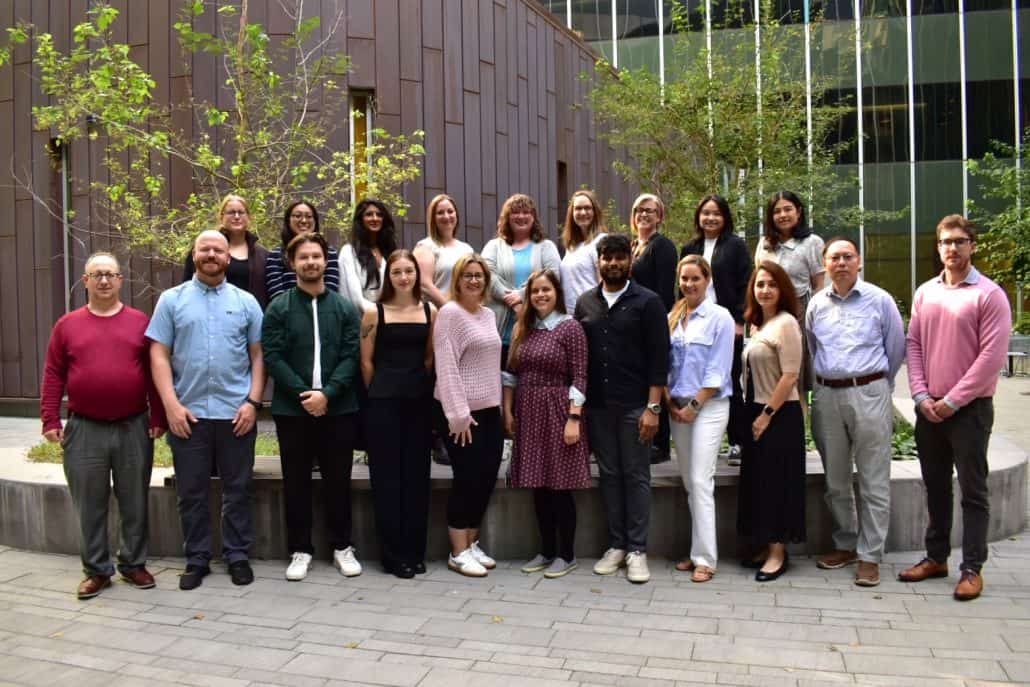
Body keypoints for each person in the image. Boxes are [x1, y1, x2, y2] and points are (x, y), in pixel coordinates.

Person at [40, 252, 167, 600]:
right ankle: (96, 570)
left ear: (121, 281)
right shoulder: (67, 325)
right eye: (96, 275)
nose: (104, 281)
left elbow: (154, 374)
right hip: (85, 429)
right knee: (89, 503)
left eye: (110, 274)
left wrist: (158, 416)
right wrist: (49, 417)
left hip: (133, 426)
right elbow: (53, 373)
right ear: (85, 282)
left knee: (134, 501)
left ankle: (133, 564)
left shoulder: (140, 322)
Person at [900, 215, 1011, 601]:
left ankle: (972, 568)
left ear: (972, 246)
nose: (952, 248)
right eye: (946, 241)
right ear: (938, 247)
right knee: (934, 487)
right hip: (928, 408)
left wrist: (951, 401)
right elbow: (912, 344)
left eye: (960, 241)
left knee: (973, 490)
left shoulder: (989, 295)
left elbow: (991, 359)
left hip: (969, 411)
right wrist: (919, 394)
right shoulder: (925, 292)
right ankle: (936, 557)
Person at [147, 230, 265, 590]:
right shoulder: (172, 300)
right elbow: (158, 353)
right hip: (189, 414)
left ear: (228, 258)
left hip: (235, 413)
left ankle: (237, 555)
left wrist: (253, 402)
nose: (211, 254)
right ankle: (197, 559)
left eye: (218, 249)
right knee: (191, 492)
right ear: (194, 255)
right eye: (205, 249)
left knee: (239, 489)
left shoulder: (247, 302)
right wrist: (170, 406)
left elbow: (259, 355)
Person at [262, 232, 364, 582]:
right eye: (303, 257)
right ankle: (301, 549)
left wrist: (329, 394)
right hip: (293, 411)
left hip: (339, 409)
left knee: (339, 481)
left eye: (316, 257)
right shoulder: (278, 308)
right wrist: (306, 395)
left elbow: (352, 355)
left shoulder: (344, 308)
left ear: (325, 262)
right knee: (297, 482)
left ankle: (342, 547)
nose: (310, 262)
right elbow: (273, 357)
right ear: (292, 263)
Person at [806, 237, 906, 588]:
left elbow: (896, 349)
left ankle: (870, 555)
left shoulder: (880, 300)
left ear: (859, 261)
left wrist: (877, 385)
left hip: (869, 392)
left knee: (873, 478)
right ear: (825, 263)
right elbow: (812, 347)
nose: (842, 263)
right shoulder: (816, 305)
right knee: (835, 480)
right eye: (834, 258)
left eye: (848, 256)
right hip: (827, 396)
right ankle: (845, 544)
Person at [575, 234, 670, 584]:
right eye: (607, 258)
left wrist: (653, 408)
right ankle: (616, 544)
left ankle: (637, 550)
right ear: (598, 262)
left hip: (635, 407)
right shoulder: (586, 303)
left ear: (629, 260)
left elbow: (660, 360)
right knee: (610, 477)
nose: (613, 263)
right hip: (598, 408)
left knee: (637, 477)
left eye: (619, 257)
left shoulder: (648, 302)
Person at [502, 270, 591, 579]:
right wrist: (508, 410)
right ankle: (547, 549)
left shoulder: (570, 328)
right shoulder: (523, 328)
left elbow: (580, 376)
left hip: (558, 412)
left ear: (557, 293)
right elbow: (511, 373)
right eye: (535, 291)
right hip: (528, 412)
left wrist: (574, 418)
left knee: (559, 486)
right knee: (538, 486)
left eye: (546, 290)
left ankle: (566, 554)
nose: (540, 295)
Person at [361, 250, 436, 579]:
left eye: (409, 271)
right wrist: (380, 392)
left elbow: (430, 360)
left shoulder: (430, 312)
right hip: (384, 406)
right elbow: (366, 362)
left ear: (417, 275)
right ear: (388, 277)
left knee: (417, 479)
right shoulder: (374, 313)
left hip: (418, 405)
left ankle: (414, 552)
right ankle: (392, 556)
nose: (403, 277)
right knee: (387, 480)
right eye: (397, 272)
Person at [665, 255, 735, 583]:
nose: (690, 284)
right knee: (690, 483)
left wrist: (694, 405)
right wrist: (669, 402)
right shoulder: (673, 316)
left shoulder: (720, 317)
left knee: (701, 480)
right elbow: (665, 366)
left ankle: (706, 558)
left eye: (696, 278)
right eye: (685, 279)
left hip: (709, 406)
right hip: (678, 407)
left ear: (707, 280)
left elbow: (717, 371)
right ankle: (696, 551)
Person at [433, 254, 504, 577]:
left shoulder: (488, 314)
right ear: (458, 280)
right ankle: (458, 551)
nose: (474, 281)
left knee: (486, 479)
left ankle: (472, 542)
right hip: (462, 415)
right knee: (467, 480)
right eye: (468, 276)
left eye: (479, 276)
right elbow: (446, 366)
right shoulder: (449, 314)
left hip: (490, 411)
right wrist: (457, 414)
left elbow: (491, 365)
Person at [738, 260, 806, 582]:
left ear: (783, 290)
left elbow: (791, 375)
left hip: (778, 415)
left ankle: (779, 553)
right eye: (760, 284)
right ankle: (767, 546)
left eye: (772, 284)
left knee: (778, 484)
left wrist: (766, 415)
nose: (765, 290)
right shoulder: (758, 326)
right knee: (761, 484)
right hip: (756, 412)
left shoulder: (787, 323)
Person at [680, 195, 752, 466]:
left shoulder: (735, 246)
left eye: (716, 214)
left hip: (725, 324)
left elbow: (746, 283)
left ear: (725, 218)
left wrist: (739, 320)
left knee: (728, 380)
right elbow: (682, 285)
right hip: (696, 324)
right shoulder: (690, 246)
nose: (710, 218)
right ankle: (699, 437)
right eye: (705, 213)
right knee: (697, 380)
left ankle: (737, 441)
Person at [754, 191, 825, 392]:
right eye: (777, 211)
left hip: (798, 312)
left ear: (799, 212)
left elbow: (818, 285)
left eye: (788, 209)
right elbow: (758, 281)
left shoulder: (812, 242)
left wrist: (814, 320)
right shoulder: (764, 243)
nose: (782, 215)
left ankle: (798, 420)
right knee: (767, 372)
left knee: (794, 377)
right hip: (767, 312)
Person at [482, 193, 561, 365]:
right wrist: (514, 301)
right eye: (515, 212)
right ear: (507, 217)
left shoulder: (546, 247)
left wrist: (522, 294)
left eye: (526, 212)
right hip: (499, 334)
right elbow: (488, 276)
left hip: (535, 331)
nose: (521, 216)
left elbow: (553, 276)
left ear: (533, 217)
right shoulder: (493, 246)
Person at [628, 193, 678, 463]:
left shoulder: (663, 246)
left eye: (649, 210)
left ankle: (661, 443)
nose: (643, 215)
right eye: (638, 210)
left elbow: (664, 290)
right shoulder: (634, 245)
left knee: (657, 379)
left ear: (660, 216)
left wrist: (659, 322)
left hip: (654, 320)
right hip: (634, 323)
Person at [183, 194, 269, 309]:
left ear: (248, 217)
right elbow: (187, 285)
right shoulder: (204, 251)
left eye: (241, 212)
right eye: (231, 212)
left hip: (249, 316)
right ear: (221, 217)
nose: (237, 216)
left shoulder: (263, 255)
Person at [265, 201, 341, 300]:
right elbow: (276, 295)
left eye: (309, 216)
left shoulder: (329, 252)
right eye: (297, 216)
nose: (304, 220)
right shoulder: (275, 255)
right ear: (288, 220)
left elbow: (331, 289)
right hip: (287, 312)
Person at [414, 194, 474, 307]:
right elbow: (424, 284)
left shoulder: (467, 249)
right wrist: (449, 309)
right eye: (440, 213)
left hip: (465, 312)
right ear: (433, 218)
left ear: (456, 214)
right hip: (436, 314)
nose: (446, 216)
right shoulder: (425, 246)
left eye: (450, 211)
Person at [339, 198, 398, 313]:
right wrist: (382, 314)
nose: (375, 218)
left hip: (390, 320)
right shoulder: (348, 252)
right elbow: (355, 299)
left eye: (379, 215)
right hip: (362, 322)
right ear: (360, 220)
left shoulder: (390, 252)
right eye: (369, 214)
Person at [559, 190, 607, 315]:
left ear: (595, 212)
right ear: (572, 213)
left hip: (591, 314)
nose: (583, 212)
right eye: (578, 208)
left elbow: (606, 285)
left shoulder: (601, 241)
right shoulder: (572, 247)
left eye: (587, 208)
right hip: (570, 316)